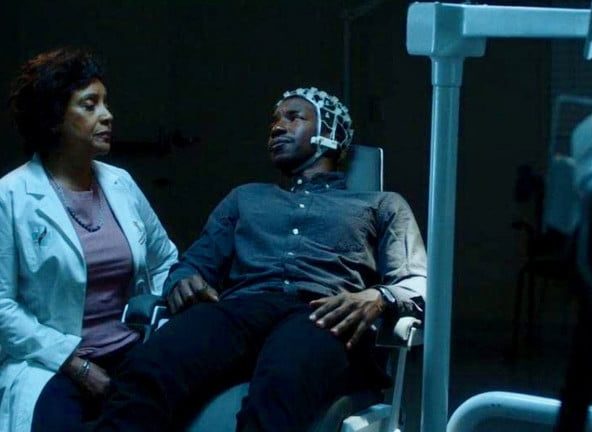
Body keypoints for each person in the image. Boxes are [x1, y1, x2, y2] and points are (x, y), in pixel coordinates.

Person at [92, 87, 427, 431]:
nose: (277, 127)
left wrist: (378, 297)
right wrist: (183, 280)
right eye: (275, 121)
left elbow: (417, 282)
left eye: (294, 117)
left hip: (323, 314)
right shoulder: (245, 198)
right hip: (242, 310)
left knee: (281, 379)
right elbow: (194, 263)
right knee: (147, 365)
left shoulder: (381, 204)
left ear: (331, 131)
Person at [0, 47, 178, 432]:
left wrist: (159, 321)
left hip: (132, 352)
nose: (107, 115)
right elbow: (2, 306)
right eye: (90, 104)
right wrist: (76, 364)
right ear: (54, 119)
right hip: (53, 363)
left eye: (106, 103)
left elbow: (165, 259)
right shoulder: (10, 196)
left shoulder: (120, 183)